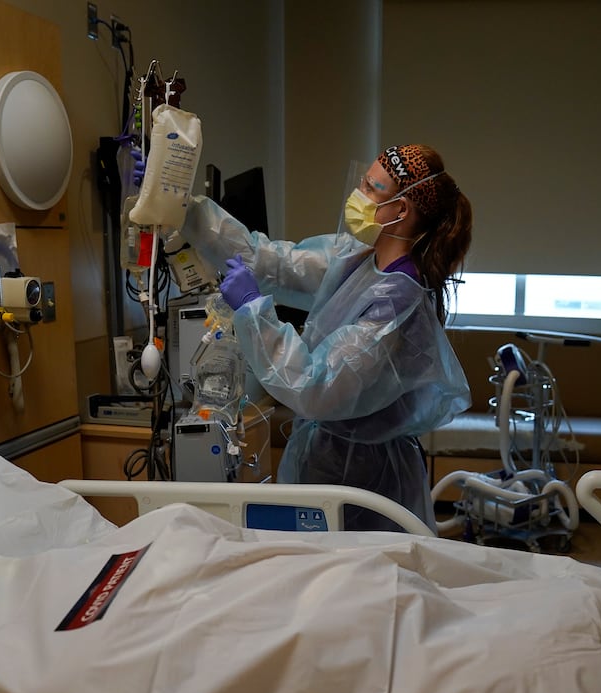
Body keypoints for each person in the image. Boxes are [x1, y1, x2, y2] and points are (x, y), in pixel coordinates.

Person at [182, 144, 473, 531]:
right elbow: (271, 262)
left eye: (370, 188)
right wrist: (181, 208)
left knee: (360, 565)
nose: (358, 195)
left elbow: (315, 385)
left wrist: (253, 310)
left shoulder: (396, 302)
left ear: (401, 210)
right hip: (326, 459)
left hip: (364, 476)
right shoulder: (357, 258)